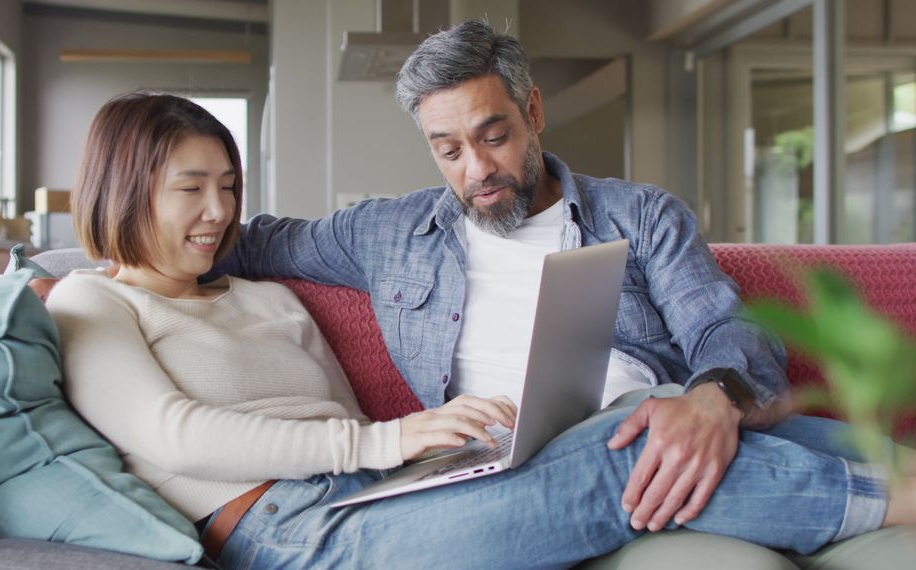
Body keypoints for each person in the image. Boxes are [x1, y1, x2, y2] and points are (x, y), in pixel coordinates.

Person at [46, 91, 916, 569]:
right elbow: (177, 435)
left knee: (659, 408)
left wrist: (438, 454)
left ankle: (892, 462)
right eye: (189, 190)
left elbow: (274, 238)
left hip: (382, 490)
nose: (218, 212)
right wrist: (386, 440)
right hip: (292, 534)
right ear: (122, 189)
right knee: (625, 446)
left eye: (228, 186)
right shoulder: (91, 303)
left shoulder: (250, 282)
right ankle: (894, 499)